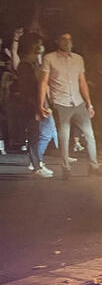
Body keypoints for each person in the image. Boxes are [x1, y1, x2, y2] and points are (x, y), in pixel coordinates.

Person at [38, 33, 102, 178]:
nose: (67, 42)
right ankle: (65, 169)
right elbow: (44, 82)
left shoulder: (78, 59)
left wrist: (89, 104)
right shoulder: (49, 58)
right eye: (64, 39)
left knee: (89, 135)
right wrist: (41, 104)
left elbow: (82, 82)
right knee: (64, 136)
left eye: (69, 40)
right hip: (61, 103)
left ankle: (94, 166)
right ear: (58, 41)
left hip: (78, 102)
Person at [11, 33, 57, 177]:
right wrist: (37, 108)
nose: (40, 46)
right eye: (37, 43)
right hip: (31, 105)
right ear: (31, 46)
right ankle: (37, 166)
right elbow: (27, 90)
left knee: (40, 133)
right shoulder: (25, 65)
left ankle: (38, 163)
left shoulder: (34, 63)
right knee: (34, 136)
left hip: (38, 104)